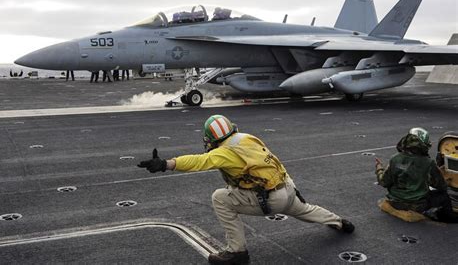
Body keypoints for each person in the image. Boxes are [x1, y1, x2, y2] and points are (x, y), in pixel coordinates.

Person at [138, 115, 354, 265]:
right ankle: (339, 222)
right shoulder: (247, 138)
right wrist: (292, 188)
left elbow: (199, 161)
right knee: (304, 210)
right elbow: (273, 161)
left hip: (269, 198)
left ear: (211, 138)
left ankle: (237, 252)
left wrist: (166, 164)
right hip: (286, 187)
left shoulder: (224, 152)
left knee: (220, 198)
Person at [375, 127, 458, 223]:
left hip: (395, 202)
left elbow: (384, 182)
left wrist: (379, 168)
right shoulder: (428, 162)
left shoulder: (394, 159)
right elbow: (441, 186)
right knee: (444, 196)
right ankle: (449, 218)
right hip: (416, 205)